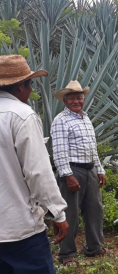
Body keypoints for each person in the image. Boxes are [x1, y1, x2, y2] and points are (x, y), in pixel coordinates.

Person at [0, 55, 68, 274]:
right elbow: (38, 173)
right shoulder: (21, 115)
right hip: (18, 229)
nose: (30, 92)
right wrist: (58, 214)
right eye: (30, 85)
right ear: (21, 85)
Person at [51, 80, 107, 266]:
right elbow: (59, 151)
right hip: (73, 171)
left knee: (94, 210)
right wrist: (68, 175)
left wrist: (99, 169)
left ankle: (94, 248)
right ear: (65, 101)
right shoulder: (61, 120)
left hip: (90, 169)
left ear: (83, 99)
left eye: (79, 97)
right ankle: (67, 253)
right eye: (72, 98)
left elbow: (93, 148)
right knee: (70, 214)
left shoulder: (86, 118)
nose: (76, 101)